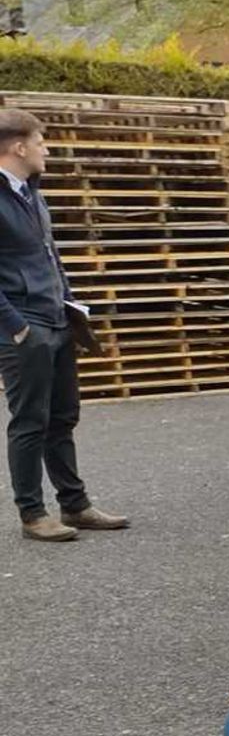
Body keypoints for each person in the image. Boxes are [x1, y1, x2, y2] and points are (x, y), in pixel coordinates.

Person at [0, 108, 130, 544]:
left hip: (56, 320)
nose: (46, 149)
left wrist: (70, 306)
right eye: (40, 141)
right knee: (29, 421)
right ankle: (32, 514)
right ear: (18, 147)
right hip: (24, 329)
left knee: (63, 418)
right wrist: (17, 327)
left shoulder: (32, 193)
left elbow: (50, 257)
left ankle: (74, 505)